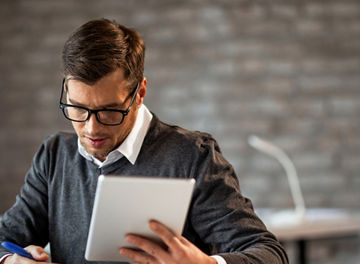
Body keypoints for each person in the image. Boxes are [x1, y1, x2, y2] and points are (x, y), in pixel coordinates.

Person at [0, 18, 288, 264]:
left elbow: (270, 254)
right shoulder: (54, 156)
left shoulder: (192, 156)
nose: (91, 128)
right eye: (77, 108)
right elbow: (5, 239)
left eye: (109, 110)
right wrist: (11, 258)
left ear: (139, 93)